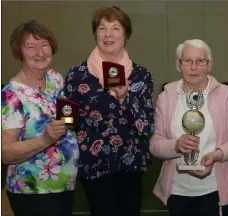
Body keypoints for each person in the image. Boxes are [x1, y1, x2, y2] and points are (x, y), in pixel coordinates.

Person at [63, 6, 154, 216]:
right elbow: (68, 121)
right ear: (95, 34)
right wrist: (62, 122)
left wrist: (125, 98)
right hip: (93, 163)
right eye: (102, 28)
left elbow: (147, 125)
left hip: (130, 162)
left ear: (126, 35)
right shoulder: (77, 74)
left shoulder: (141, 75)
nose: (108, 34)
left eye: (115, 28)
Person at [150, 39, 228, 216]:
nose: (194, 67)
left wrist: (217, 155)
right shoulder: (166, 96)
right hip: (177, 192)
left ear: (210, 65)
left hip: (216, 191)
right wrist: (176, 145)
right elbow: (155, 144)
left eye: (200, 61)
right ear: (178, 65)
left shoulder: (226, 94)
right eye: (187, 61)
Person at [1, 20, 79, 216]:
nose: (40, 52)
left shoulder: (55, 78)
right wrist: (45, 139)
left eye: (44, 44)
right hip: (33, 191)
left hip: (64, 185)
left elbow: (65, 119)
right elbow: (5, 152)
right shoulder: (12, 95)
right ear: (19, 53)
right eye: (30, 46)